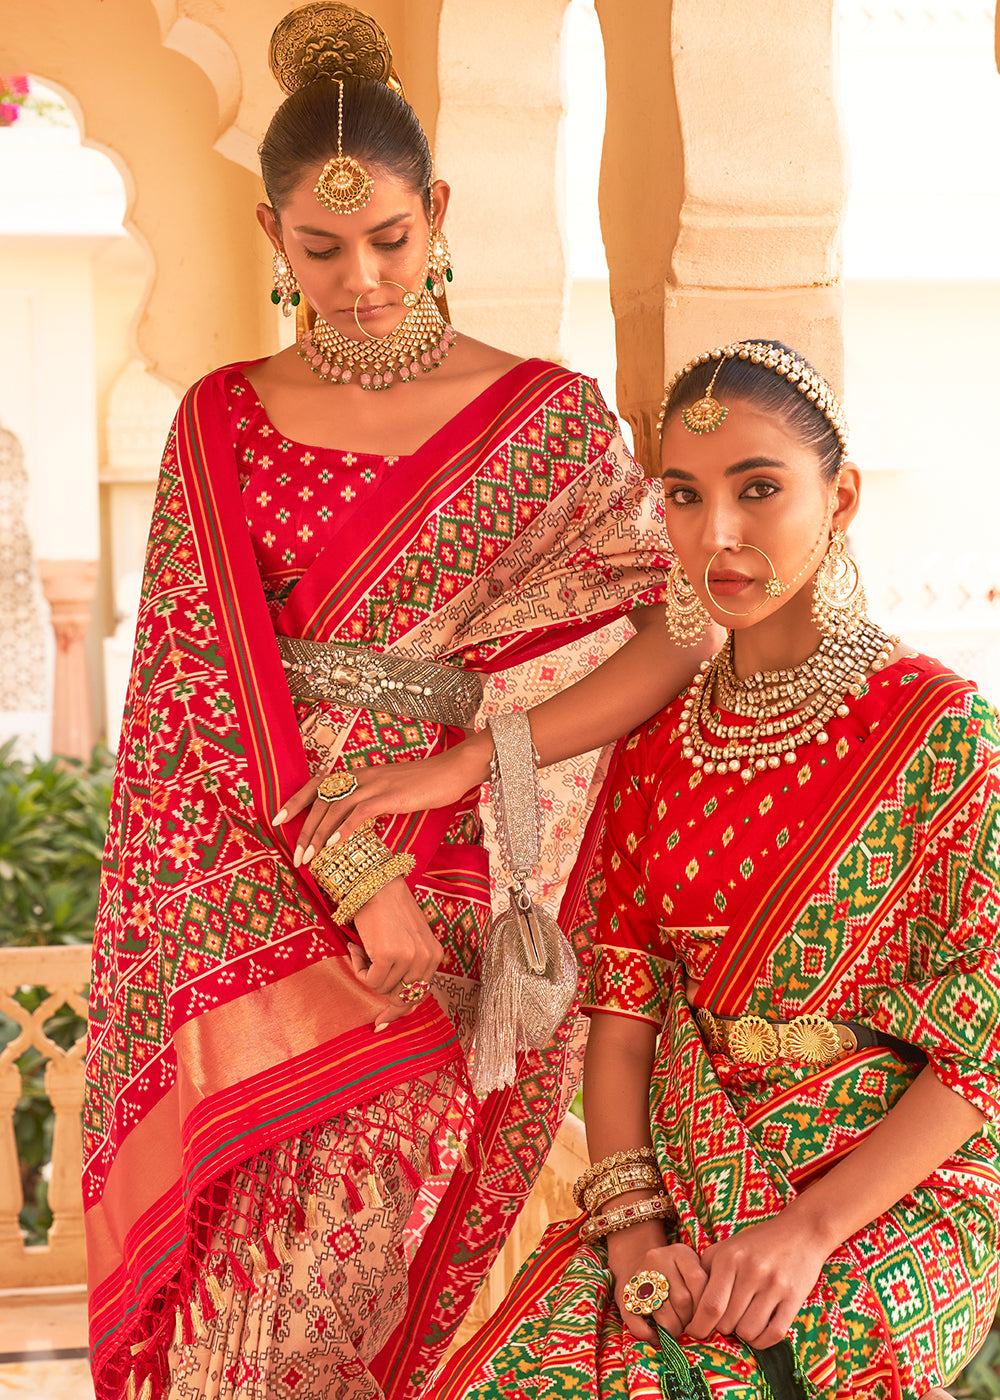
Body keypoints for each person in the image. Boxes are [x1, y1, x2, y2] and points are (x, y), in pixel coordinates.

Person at [81, 7, 709, 1400]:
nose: (360, 279)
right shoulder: (223, 418)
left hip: (466, 921)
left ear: (440, 214)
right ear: (270, 236)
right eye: (321, 247)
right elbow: (210, 692)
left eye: (389, 241)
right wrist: (357, 878)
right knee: (245, 1322)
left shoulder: (545, 415)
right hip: (268, 908)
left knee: (418, 1312)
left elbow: (672, 635)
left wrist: (453, 777)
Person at [429, 339, 1000, 1400]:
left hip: (888, 1187)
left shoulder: (936, 728)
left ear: (841, 500)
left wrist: (808, 1229)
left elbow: (989, 1025)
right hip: (691, 1175)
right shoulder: (660, 743)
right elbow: (625, 1004)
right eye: (684, 496)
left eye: (759, 488)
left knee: (779, 1367)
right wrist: (637, 1235)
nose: (717, 535)